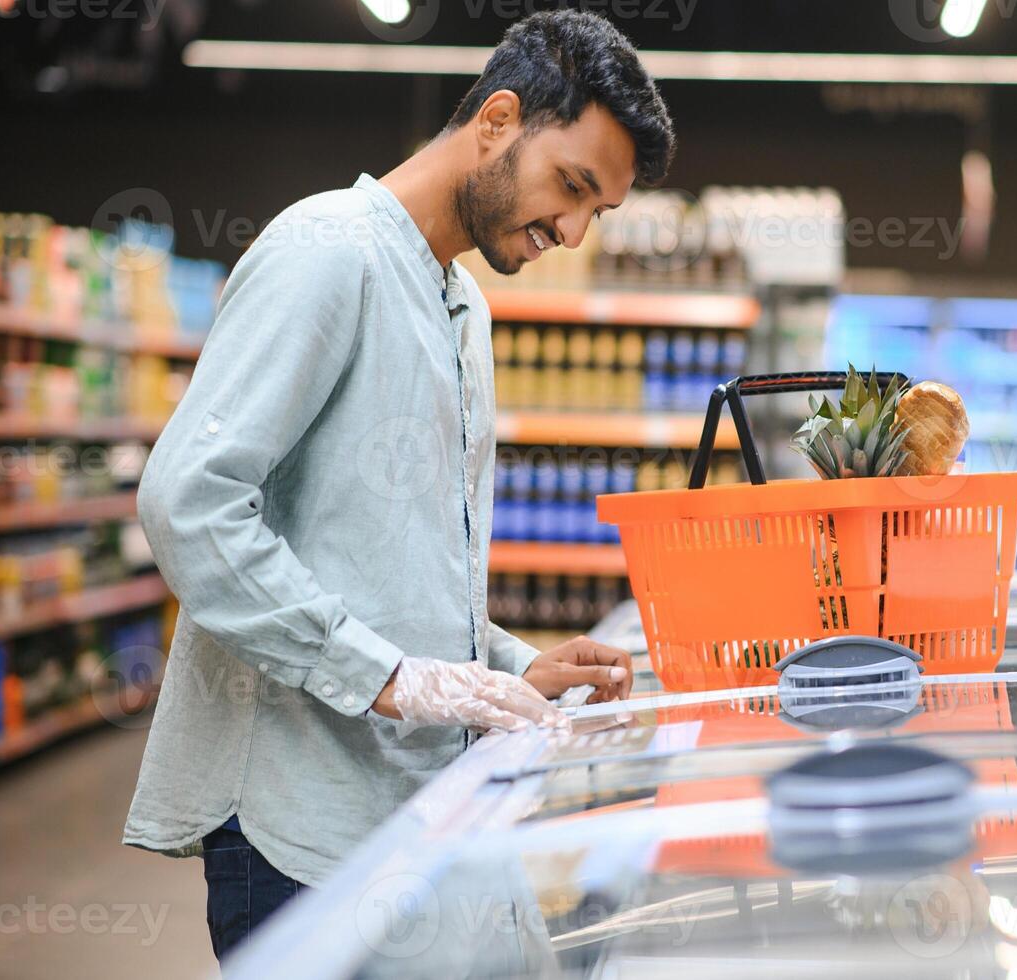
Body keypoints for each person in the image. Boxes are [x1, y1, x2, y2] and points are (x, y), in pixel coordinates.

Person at [122, 11, 673, 961]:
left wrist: (503, 671)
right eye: (571, 187)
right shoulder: (329, 251)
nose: (573, 230)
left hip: (402, 808)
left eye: (598, 213)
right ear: (498, 119)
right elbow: (190, 502)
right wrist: (383, 677)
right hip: (300, 827)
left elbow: (393, 560)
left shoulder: (465, 310)